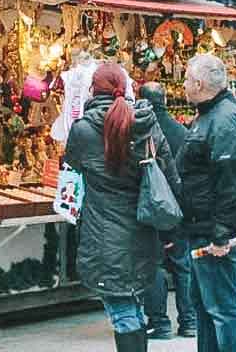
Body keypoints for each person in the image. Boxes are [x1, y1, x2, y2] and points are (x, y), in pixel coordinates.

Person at [65, 65, 179, 351]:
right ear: (126, 88)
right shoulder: (147, 124)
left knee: (123, 312)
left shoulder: (82, 130)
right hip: (144, 229)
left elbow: (71, 169)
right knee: (132, 308)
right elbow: (171, 176)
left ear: (93, 90)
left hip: (103, 235)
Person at [175, 53, 236, 352]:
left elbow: (230, 181)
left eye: (185, 79)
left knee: (223, 308)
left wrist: (222, 234)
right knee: (207, 306)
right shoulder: (210, 114)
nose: (182, 85)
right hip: (203, 227)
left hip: (214, 232)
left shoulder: (223, 119)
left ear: (199, 82)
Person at [139, 83, 197, 340]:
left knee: (154, 265)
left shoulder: (139, 132)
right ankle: (189, 321)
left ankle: (159, 322)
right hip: (176, 208)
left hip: (149, 209)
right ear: (164, 100)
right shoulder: (181, 132)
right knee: (183, 265)